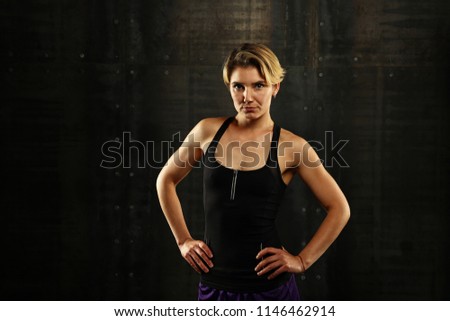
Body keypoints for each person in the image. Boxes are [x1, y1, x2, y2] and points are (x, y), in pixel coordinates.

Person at [156, 43, 350, 300]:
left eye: (258, 85)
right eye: (239, 86)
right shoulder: (207, 131)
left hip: (270, 290)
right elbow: (166, 179)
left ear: (275, 88)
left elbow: (339, 208)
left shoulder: (293, 146)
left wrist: (302, 261)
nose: (247, 96)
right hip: (214, 285)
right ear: (230, 88)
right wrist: (183, 241)